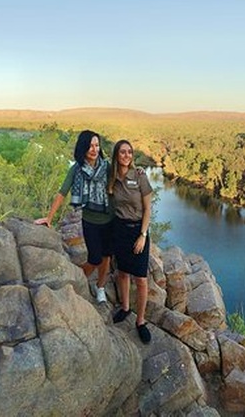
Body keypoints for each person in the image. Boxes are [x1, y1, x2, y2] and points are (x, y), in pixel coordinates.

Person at [36, 130, 113, 303]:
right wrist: (49, 218)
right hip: (90, 220)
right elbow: (62, 192)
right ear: (83, 148)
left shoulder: (106, 166)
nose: (94, 149)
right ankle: (79, 279)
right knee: (94, 258)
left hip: (109, 219)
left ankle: (100, 287)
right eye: (90, 146)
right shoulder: (76, 169)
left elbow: (124, 175)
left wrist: (137, 171)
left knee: (107, 256)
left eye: (96, 145)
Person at [108, 139, 153, 344]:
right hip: (119, 229)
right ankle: (126, 308)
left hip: (137, 231)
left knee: (141, 280)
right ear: (117, 155)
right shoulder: (112, 176)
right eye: (122, 152)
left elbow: (148, 209)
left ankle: (141, 321)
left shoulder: (140, 176)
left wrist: (143, 235)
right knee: (123, 272)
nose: (126, 155)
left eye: (129, 152)